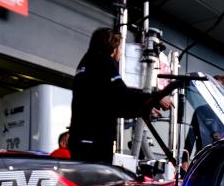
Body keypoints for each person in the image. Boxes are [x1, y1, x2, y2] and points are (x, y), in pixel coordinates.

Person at [68, 27, 173, 164]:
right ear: (113, 48)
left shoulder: (86, 62)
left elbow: (110, 103)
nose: (121, 52)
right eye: (121, 47)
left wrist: (145, 107)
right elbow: (121, 96)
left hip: (80, 138)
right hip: (94, 141)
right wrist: (156, 97)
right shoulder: (103, 61)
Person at [184, 75, 224, 155]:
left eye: (216, 88)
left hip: (222, 158)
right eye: (211, 88)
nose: (212, 91)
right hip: (202, 157)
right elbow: (190, 137)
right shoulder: (201, 110)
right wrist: (185, 158)